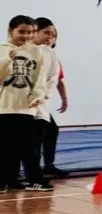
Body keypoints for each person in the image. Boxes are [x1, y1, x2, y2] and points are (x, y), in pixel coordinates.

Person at [1, 15, 49, 191]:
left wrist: (38, 96)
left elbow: (40, 78)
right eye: (21, 32)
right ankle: (3, 181)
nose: (27, 36)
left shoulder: (37, 52)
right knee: (4, 147)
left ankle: (16, 180)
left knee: (25, 147)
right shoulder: (2, 49)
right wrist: (8, 61)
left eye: (30, 32)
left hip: (26, 108)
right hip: (4, 107)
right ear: (10, 31)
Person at [31, 18, 68, 180]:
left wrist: (64, 99)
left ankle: (48, 166)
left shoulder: (52, 56)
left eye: (53, 35)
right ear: (35, 33)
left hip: (41, 103)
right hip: (27, 103)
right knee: (30, 137)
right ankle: (29, 172)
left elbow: (58, 80)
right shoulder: (27, 53)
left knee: (51, 130)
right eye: (46, 33)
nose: (50, 37)